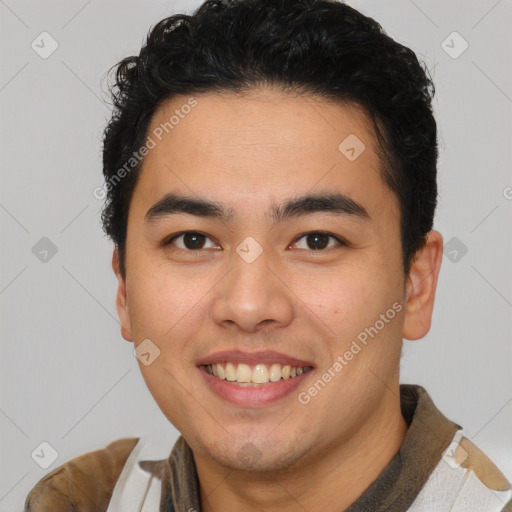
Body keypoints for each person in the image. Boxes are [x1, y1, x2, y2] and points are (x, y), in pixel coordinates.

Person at [25, 0, 511, 510]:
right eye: (193, 240)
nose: (249, 305)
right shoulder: (80, 500)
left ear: (416, 283)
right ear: (124, 286)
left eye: (316, 240)